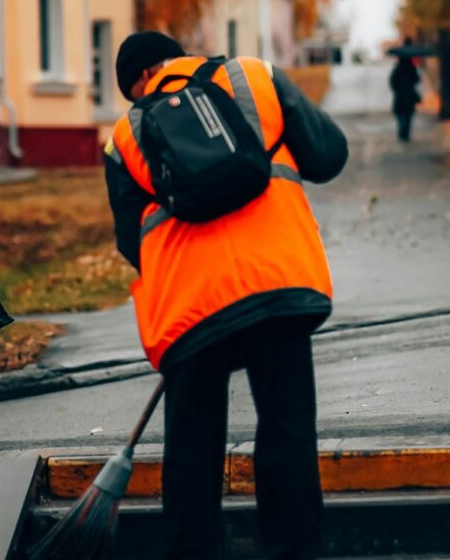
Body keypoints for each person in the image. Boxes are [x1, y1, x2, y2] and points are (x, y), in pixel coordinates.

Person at [104, 30, 348, 560]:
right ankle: (295, 551)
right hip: (278, 285)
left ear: (142, 78)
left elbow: (131, 244)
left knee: (192, 448)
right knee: (286, 427)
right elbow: (329, 156)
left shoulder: (127, 133)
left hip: (192, 309)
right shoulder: (254, 77)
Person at [389, 39, 422, 142]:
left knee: (400, 115)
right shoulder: (412, 68)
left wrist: (397, 89)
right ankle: (405, 133)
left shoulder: (397, 69)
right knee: (408, 115)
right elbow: (416, 80)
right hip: (409, 95)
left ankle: (402, 132)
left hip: (399, 96)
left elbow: (392, 82)